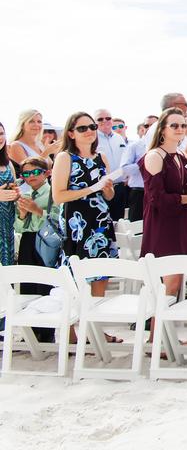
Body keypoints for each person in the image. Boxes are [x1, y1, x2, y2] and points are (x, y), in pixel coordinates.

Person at [51, 112, 121, 343]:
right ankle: (70, 330)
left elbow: (108, 196)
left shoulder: (101, 156)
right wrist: (91, 189)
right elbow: (59, 196)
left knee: (100, 275)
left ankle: (95, 329)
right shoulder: (65, 157)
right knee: (75, 277)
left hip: (100, 221)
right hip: (76, 223)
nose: (90, 131)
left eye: (92, 126)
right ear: (71, 133)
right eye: (82, 128)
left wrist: (107, 188)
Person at [139, 108, 187, 284]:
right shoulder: (155, 156)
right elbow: (156, 199)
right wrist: (186, 199)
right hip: (163, 223)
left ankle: (168, 312)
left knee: (178, 281)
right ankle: (156, 313)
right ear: (163, 129)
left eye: (183, 125)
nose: (180, 129)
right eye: (174, 125)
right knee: (167, 285)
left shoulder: (182, 155)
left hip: (182, 221)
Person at [14, 157, 59, 342]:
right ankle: (31, 332)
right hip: (27, 241)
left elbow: (57, 220)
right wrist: (24, 214)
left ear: (46, 173)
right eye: (26, 174)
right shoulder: (26, 195)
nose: (30, 177)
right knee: (27, 285)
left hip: (45, 242)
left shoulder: (52, 193)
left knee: (45, 285)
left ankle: (46, 332)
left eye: (35, 172)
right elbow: (18, 227)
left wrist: (37, 210)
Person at [94, 108, 128, 220]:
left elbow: (126, 159)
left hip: (121, 187)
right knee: (104, 221)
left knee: (120, 222)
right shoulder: (92, 139)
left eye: (108, 118)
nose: (105, 121)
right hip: (103, 189)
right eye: (100, 119)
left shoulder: (119, 138)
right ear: (95, 122)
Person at [0, 122, 18, 267]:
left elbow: (16, 188)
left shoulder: (8, 163)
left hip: (7, 223)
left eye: (1, 133)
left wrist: (16, 192)